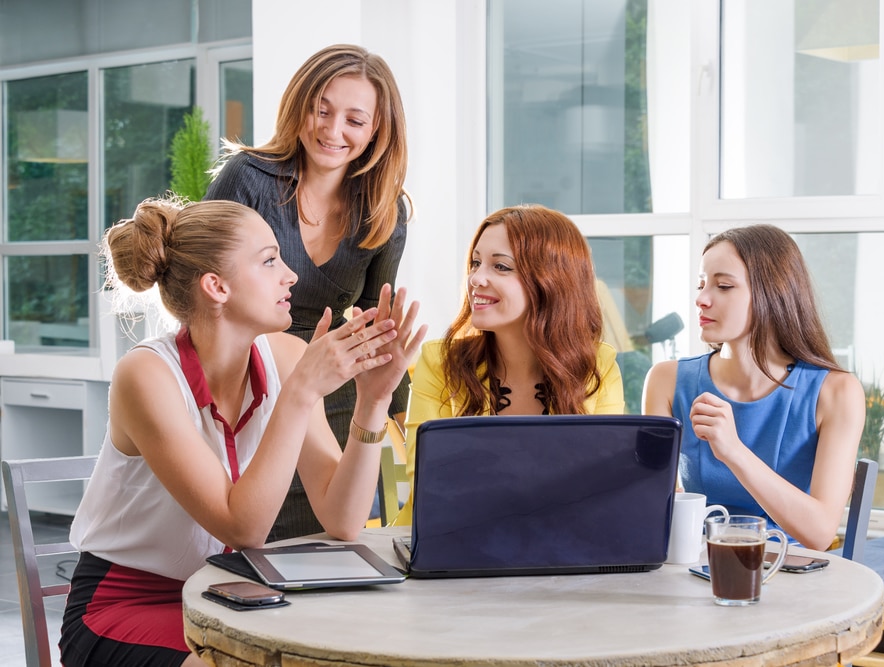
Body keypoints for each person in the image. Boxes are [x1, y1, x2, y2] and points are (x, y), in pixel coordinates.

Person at [59, 197, 426, 667]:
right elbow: (243, 527)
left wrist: (373, 401)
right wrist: (300, 393)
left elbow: (343, 519)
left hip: (226, 594)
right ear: (217, 286)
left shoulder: (286, 355)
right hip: (125, 604)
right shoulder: (146, 376)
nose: (290, 276)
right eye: (269, 260)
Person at [204, 44, 412, 541]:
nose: (331, 130)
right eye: (321, 109)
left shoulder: (385, 210)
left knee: (342, 539)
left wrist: (394, 416)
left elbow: (371, 322)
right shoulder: (248, 179)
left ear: (377, 130)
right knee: (255, 542)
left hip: (335, 386)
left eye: (354, 120)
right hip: (246, 378)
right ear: (300, 104)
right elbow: (201, 290)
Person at [393, 204, 626, 525]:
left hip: (557, 549)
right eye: (475, 263)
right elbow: (430, 486)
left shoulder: (599, 365)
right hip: (445, 545)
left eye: (500, 267)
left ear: (552, 281)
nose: (476, 278)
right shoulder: (438, 362)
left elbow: (604, 486)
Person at [642, 224, 864, 551]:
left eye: (724, 285)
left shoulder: (838, 392)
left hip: (787, 575)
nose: (701, 299)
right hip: (690, 568)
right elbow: (654, 508)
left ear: (771, 293)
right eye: (701, 284)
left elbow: (819, 533)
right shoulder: (666, 381)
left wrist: (733, 451)